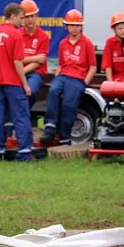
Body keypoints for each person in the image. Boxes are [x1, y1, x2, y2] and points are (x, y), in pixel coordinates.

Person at [0, 3, 33, 160]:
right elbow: (18, 62)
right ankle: (24, 152)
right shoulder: (16, 34)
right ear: (13, 16)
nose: (22, 22)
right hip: (13, 82)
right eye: (21, 18)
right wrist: (25, 83)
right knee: (20, 116)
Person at [39, 9, 96, 145]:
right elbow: (61, 65)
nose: (75, 28)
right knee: (53, 90)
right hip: (63, 75)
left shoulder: (87, 43)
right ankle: (50, 129)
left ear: (81, 26)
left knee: (68, 104)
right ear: (66, 26)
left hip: (77, 78)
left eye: (77, 25)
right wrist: (56, 78)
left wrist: (84, 83)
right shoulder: (62, 43)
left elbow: (93, 67)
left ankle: (65, 137)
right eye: (72, 25)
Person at [19, 0, 49, 108]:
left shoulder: (43, 36)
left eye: (32, 16)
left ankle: (22, 116)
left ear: (36, 16)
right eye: (27, 17)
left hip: (36, 73)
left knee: (30, 91)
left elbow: (39, 62)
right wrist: (35, 57)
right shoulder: (17, 34)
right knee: (12, 92)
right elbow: (17, 59)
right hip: (18, 70)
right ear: (22, 18)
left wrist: (22, 70)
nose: (30, 20)